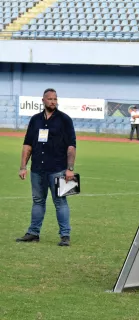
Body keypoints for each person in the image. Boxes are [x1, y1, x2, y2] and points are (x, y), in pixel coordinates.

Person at [16, 88, 77, 247]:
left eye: (55, 99)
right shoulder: (35, 120)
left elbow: (71, 146)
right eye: (49, 99)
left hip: (59, 169)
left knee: (61, 202)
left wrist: (70, 169)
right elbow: (27, 145)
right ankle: (33, 233)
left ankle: (65, 236)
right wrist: (23, 166)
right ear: (43, 100)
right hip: (37, 169)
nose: (53, 101)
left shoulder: (65, 120)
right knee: (37, 201)